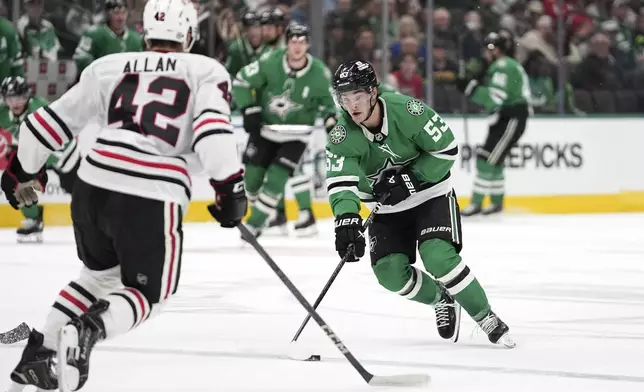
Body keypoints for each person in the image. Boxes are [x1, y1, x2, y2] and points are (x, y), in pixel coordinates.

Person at [0, 0, 247, 390]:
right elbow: (214, 134)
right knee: (150, 293)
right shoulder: (205, 69)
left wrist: (21, 172)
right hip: (151, 192)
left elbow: (44, 124)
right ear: (188, 34)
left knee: (97, 279)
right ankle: (89, 331)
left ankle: (40, 355)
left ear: (146, 32)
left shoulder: (108, 66)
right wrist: (230, 188)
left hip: (93, 184)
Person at [326, 60, 515, 348]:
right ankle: (442, 298)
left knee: (438, 257)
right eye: (345, 98)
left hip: (431, 195)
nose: (352, 105)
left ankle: (485, 316)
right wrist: (346, 219)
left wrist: (411, 179)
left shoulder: (406, 111)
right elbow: (342, 183)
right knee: (389, 273)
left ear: (373, 92)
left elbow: (447, 149)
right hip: (386, 209)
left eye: (358, 96)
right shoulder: (342, 135)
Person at [233, 24, 336, 237]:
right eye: (293, 41)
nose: (297, 46)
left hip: (297, 135)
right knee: (251, 181)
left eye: (302, 42)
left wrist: (331, 123)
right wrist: (248, 108)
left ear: (308, 44)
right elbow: (242, 80)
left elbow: (328, 104)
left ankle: (255, 223)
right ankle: (273, 213)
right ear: (287, 43)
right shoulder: (270, 62)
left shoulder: (319, 73)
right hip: (266, 130)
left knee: (277, 176)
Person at [456, 31, 531, 216]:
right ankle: (496, 202)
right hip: (506, 117)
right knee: (494, 160)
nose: (485, 54)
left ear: (496, 50)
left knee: (487, 158)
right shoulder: (505, 65)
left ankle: (476, 203)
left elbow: (496, 97)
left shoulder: (503, 66)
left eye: (488, 49)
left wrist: (471, 89)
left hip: (511, 118)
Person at [0, 76, 78, 243]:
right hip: (40, 154)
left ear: (28, 96)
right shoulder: (3, 113)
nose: (15, 103)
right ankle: (33, 219)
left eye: (19, 98)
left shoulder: (38, 109)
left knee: (82, 193)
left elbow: (46, 141)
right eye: (10, 99)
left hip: (65, 156)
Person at [73, 0, 143, 76]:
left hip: (128, 85)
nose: (120, 17)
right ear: (108, 14)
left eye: (123, 12)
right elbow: (81, 58)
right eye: (116, 13)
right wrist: (97, 73)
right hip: (100, 85)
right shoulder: (93, 34)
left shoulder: (136, 38)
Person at [225, 11, 266, 77]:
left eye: (257, 27)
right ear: (245, 31)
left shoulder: (269, 47)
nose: (254, 32)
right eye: (249, 28)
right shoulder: (236, 49)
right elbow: (230, 75)